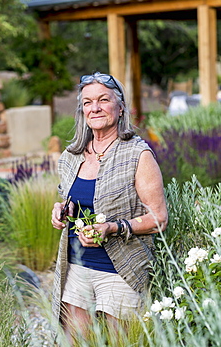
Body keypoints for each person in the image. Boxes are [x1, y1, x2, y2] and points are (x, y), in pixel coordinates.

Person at [51, 72, 168, 343]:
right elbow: (74, 201)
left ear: (120, 106)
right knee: (76, 341)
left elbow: (159, 219)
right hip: (76, 267)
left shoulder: (137, 154)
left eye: (104, 100)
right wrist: (62, 211)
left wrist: (113, 227)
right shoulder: (71, 156)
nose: (95, 108)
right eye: (88, 102)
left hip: (120, 271)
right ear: (82, 110)